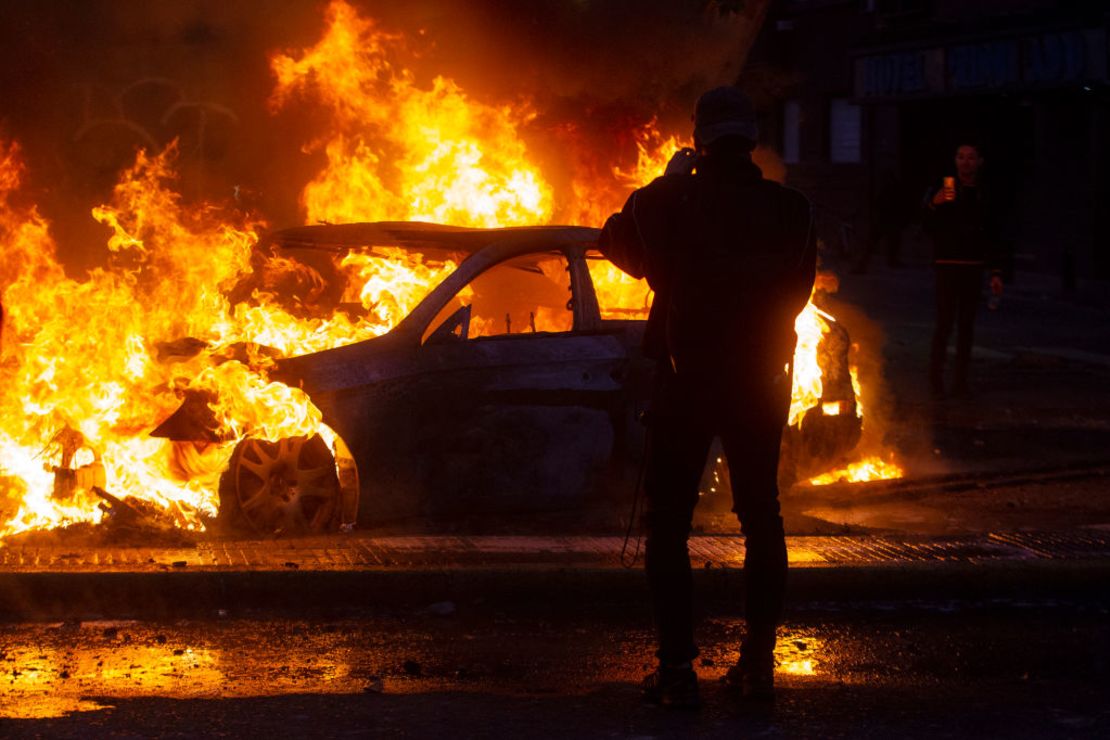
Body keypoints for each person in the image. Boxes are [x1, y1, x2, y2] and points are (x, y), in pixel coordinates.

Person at [599, 86, 815, 708]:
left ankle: (675, 672)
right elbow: (797, 292)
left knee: (668, 525)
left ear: (698, 139)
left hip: (685, 381)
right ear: (751, 139)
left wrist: (667, 183)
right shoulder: (792, 209)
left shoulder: (670, 202)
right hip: (759, 382)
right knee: (761, 516)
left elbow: (619, 242)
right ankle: (758, 665)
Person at [923, 143, 1003, 398]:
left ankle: (960, 382)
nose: (965, 162)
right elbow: (925, 225)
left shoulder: (985, 193)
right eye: (960, 157)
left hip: (973, 266)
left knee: (966, 327)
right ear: (955, 161)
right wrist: (933, 204)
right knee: (944, 323)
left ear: (980, 161)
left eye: (970, 158)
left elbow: (993, 233)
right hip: (947, 265)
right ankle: (936, 381)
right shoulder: (943, 187)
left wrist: (996, 272)